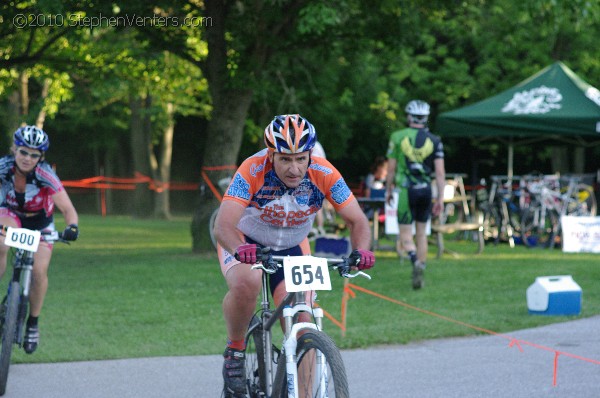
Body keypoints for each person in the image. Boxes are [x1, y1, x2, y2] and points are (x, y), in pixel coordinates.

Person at [213, 114, 374, 397]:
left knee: (303, 320)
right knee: (246, 284)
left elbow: (358, 220)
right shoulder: (252, 169)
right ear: (271, 154)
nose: (294, 168)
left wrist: (361, 250)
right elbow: (223, 225)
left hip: (292, 245)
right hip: (246, 241)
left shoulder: (324, 173)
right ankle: (235, 353)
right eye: (285, 159)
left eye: (301, 158)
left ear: (310, 155)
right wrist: (239, 250)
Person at [0, 125, 79, 353]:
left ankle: (33, 322)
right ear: (14, 149)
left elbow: (68, 210)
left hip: (40, 223)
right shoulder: (4, 167)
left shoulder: (45, 175)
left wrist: (72, 227)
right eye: (23, 152)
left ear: (41, 157)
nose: (27, 158)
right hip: (12, 215)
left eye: (34, 155)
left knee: (38, 272)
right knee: (2, 242)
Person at [385, 100, 445, 290]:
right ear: (426, 118)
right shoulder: (435, 140)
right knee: (421, 233)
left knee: (405, 236)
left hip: (405, 190)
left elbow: (391, 169)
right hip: (426, 190)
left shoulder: (397, 136)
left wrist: (388, 190)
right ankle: (422, 266)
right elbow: (440, 173)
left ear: (409, 117)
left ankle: (414, 260)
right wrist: (441, 198)